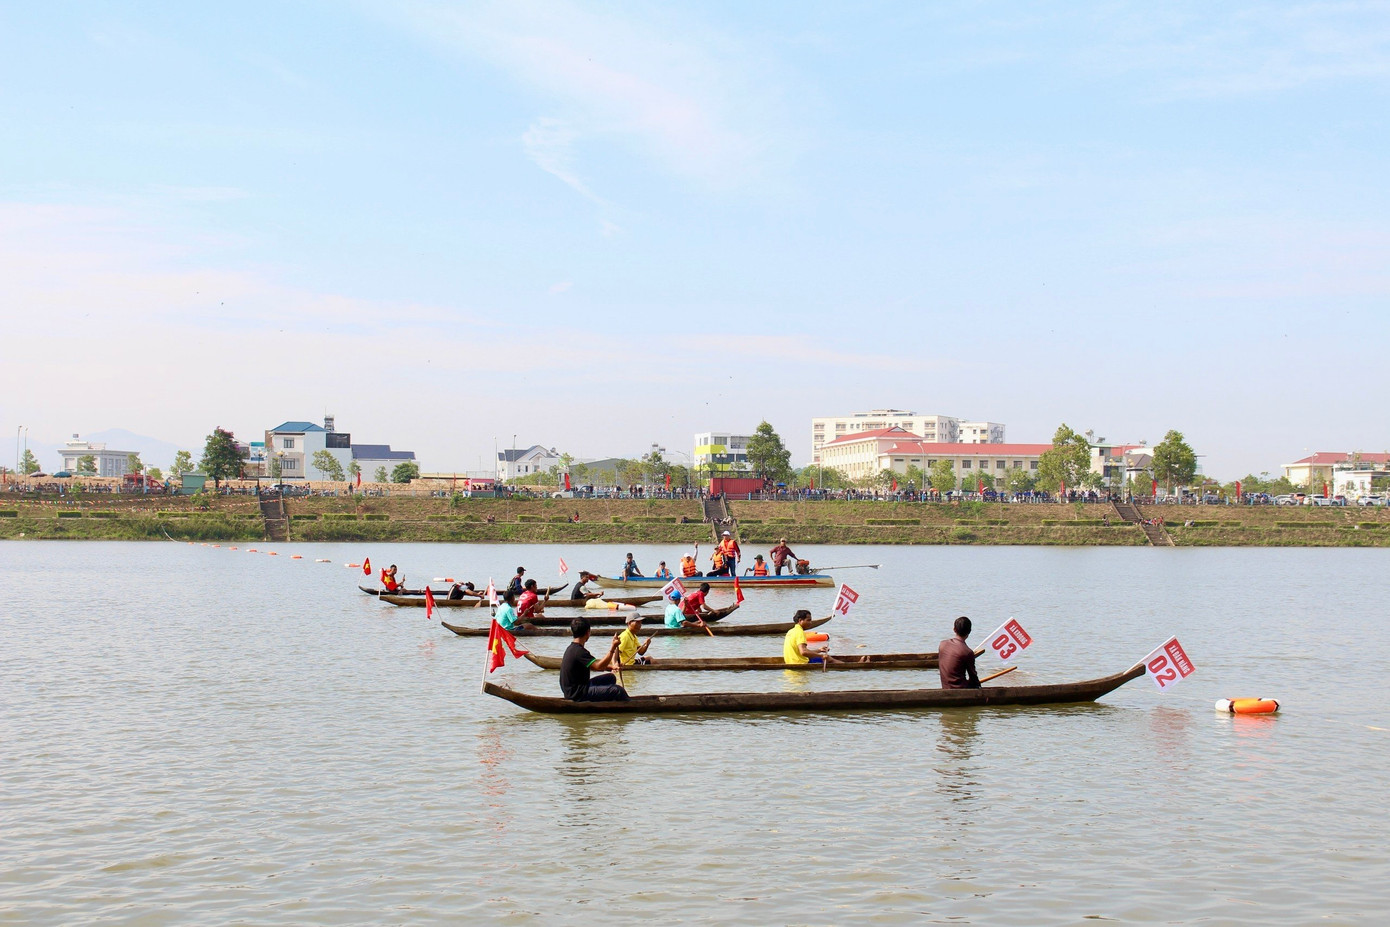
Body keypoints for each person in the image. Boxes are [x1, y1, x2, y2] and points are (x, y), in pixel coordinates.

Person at [560, 616, 629, 701]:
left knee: (611, 677)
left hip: (576, 689)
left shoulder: (572, 648)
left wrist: (611, 667)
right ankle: (630, 707)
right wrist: (613, 648)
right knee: (618, 691)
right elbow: (598, 667)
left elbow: (593, 666)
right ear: (588, 632)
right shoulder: (579, 651)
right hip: (578, 694)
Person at [938, 616, 981, 689]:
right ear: (969, 631)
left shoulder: (942, 644)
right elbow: (973, 677)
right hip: (961, 690)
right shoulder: (967, 652)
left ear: (954, 629)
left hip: (945, 687)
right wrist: (978, 686)